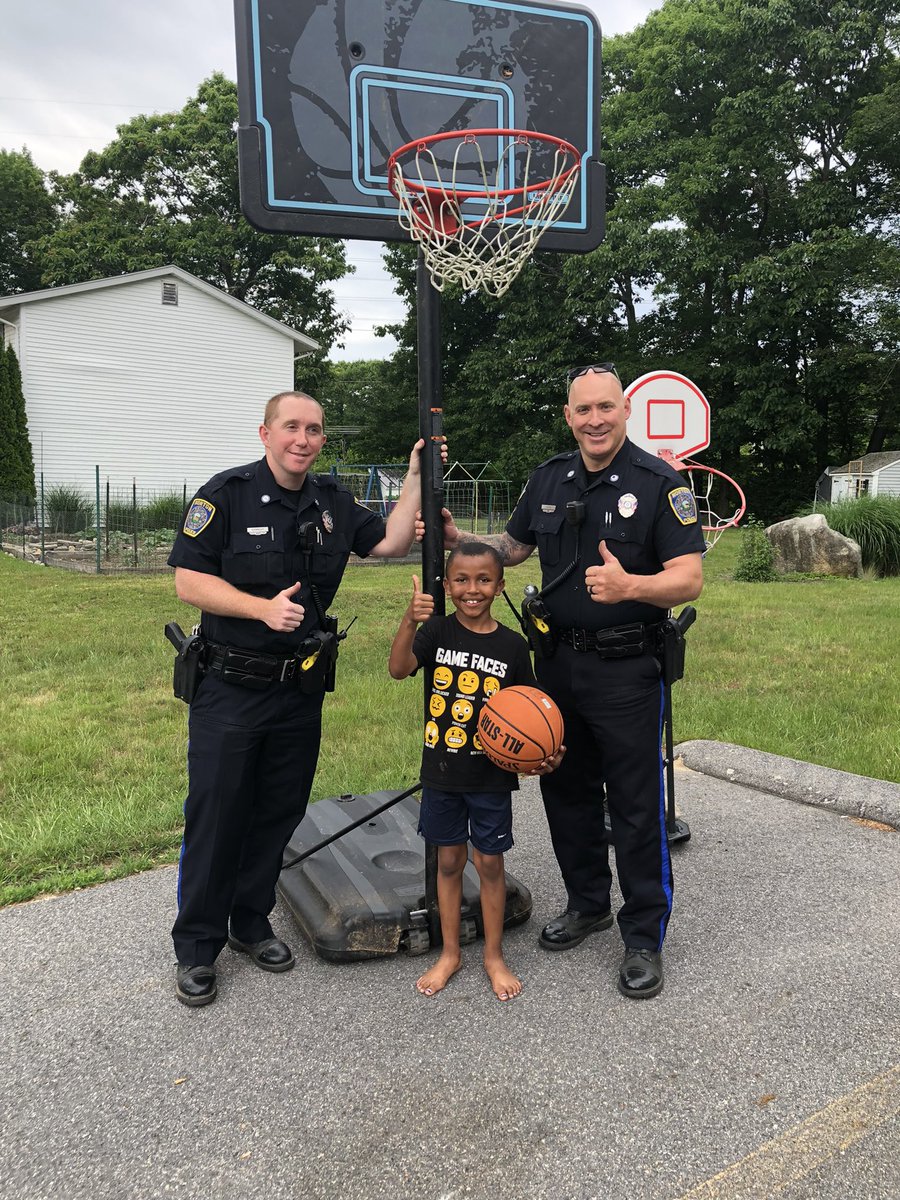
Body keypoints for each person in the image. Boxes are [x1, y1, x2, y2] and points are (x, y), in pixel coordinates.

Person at [430, 363, 704, 999]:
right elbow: (515, 547)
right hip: (555, 666)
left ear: (625, 411)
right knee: (564, 789)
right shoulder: (550, 477)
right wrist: (460, 538)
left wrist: (631, 586)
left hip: (628, 668)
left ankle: (642, 935)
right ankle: (588, 902)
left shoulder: (660, 483)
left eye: (606, 407)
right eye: (584, 410)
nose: (595, 420)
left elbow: (688, 577)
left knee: (636, 805)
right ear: (569, 416)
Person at [167, 390, 437, 1008]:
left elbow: (392, 542)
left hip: (299, 691)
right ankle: (197, 947)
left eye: (314, 430)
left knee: (278, 811)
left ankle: (248, 922)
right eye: (291, 426)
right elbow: (188, 579)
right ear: (264, 433)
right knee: (217, 814)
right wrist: (260, 608)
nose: (303, 438)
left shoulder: (335, 503)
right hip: (230, 688)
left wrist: (417, 476)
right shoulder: (226, 494)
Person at [389, 542, 561, 1001]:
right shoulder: (437, 633)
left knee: (489, 863)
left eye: (484, 580)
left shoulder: (511, 646)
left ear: (499, 585)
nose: (472, 589)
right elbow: (398, 668)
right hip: (443, 773)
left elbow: (535, 712)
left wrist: (550, 751)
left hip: (489, 779)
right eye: (461, 580)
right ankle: (450, 953)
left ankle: (494, 956)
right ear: (447, 586)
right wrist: (410, 619)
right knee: (449, 862)